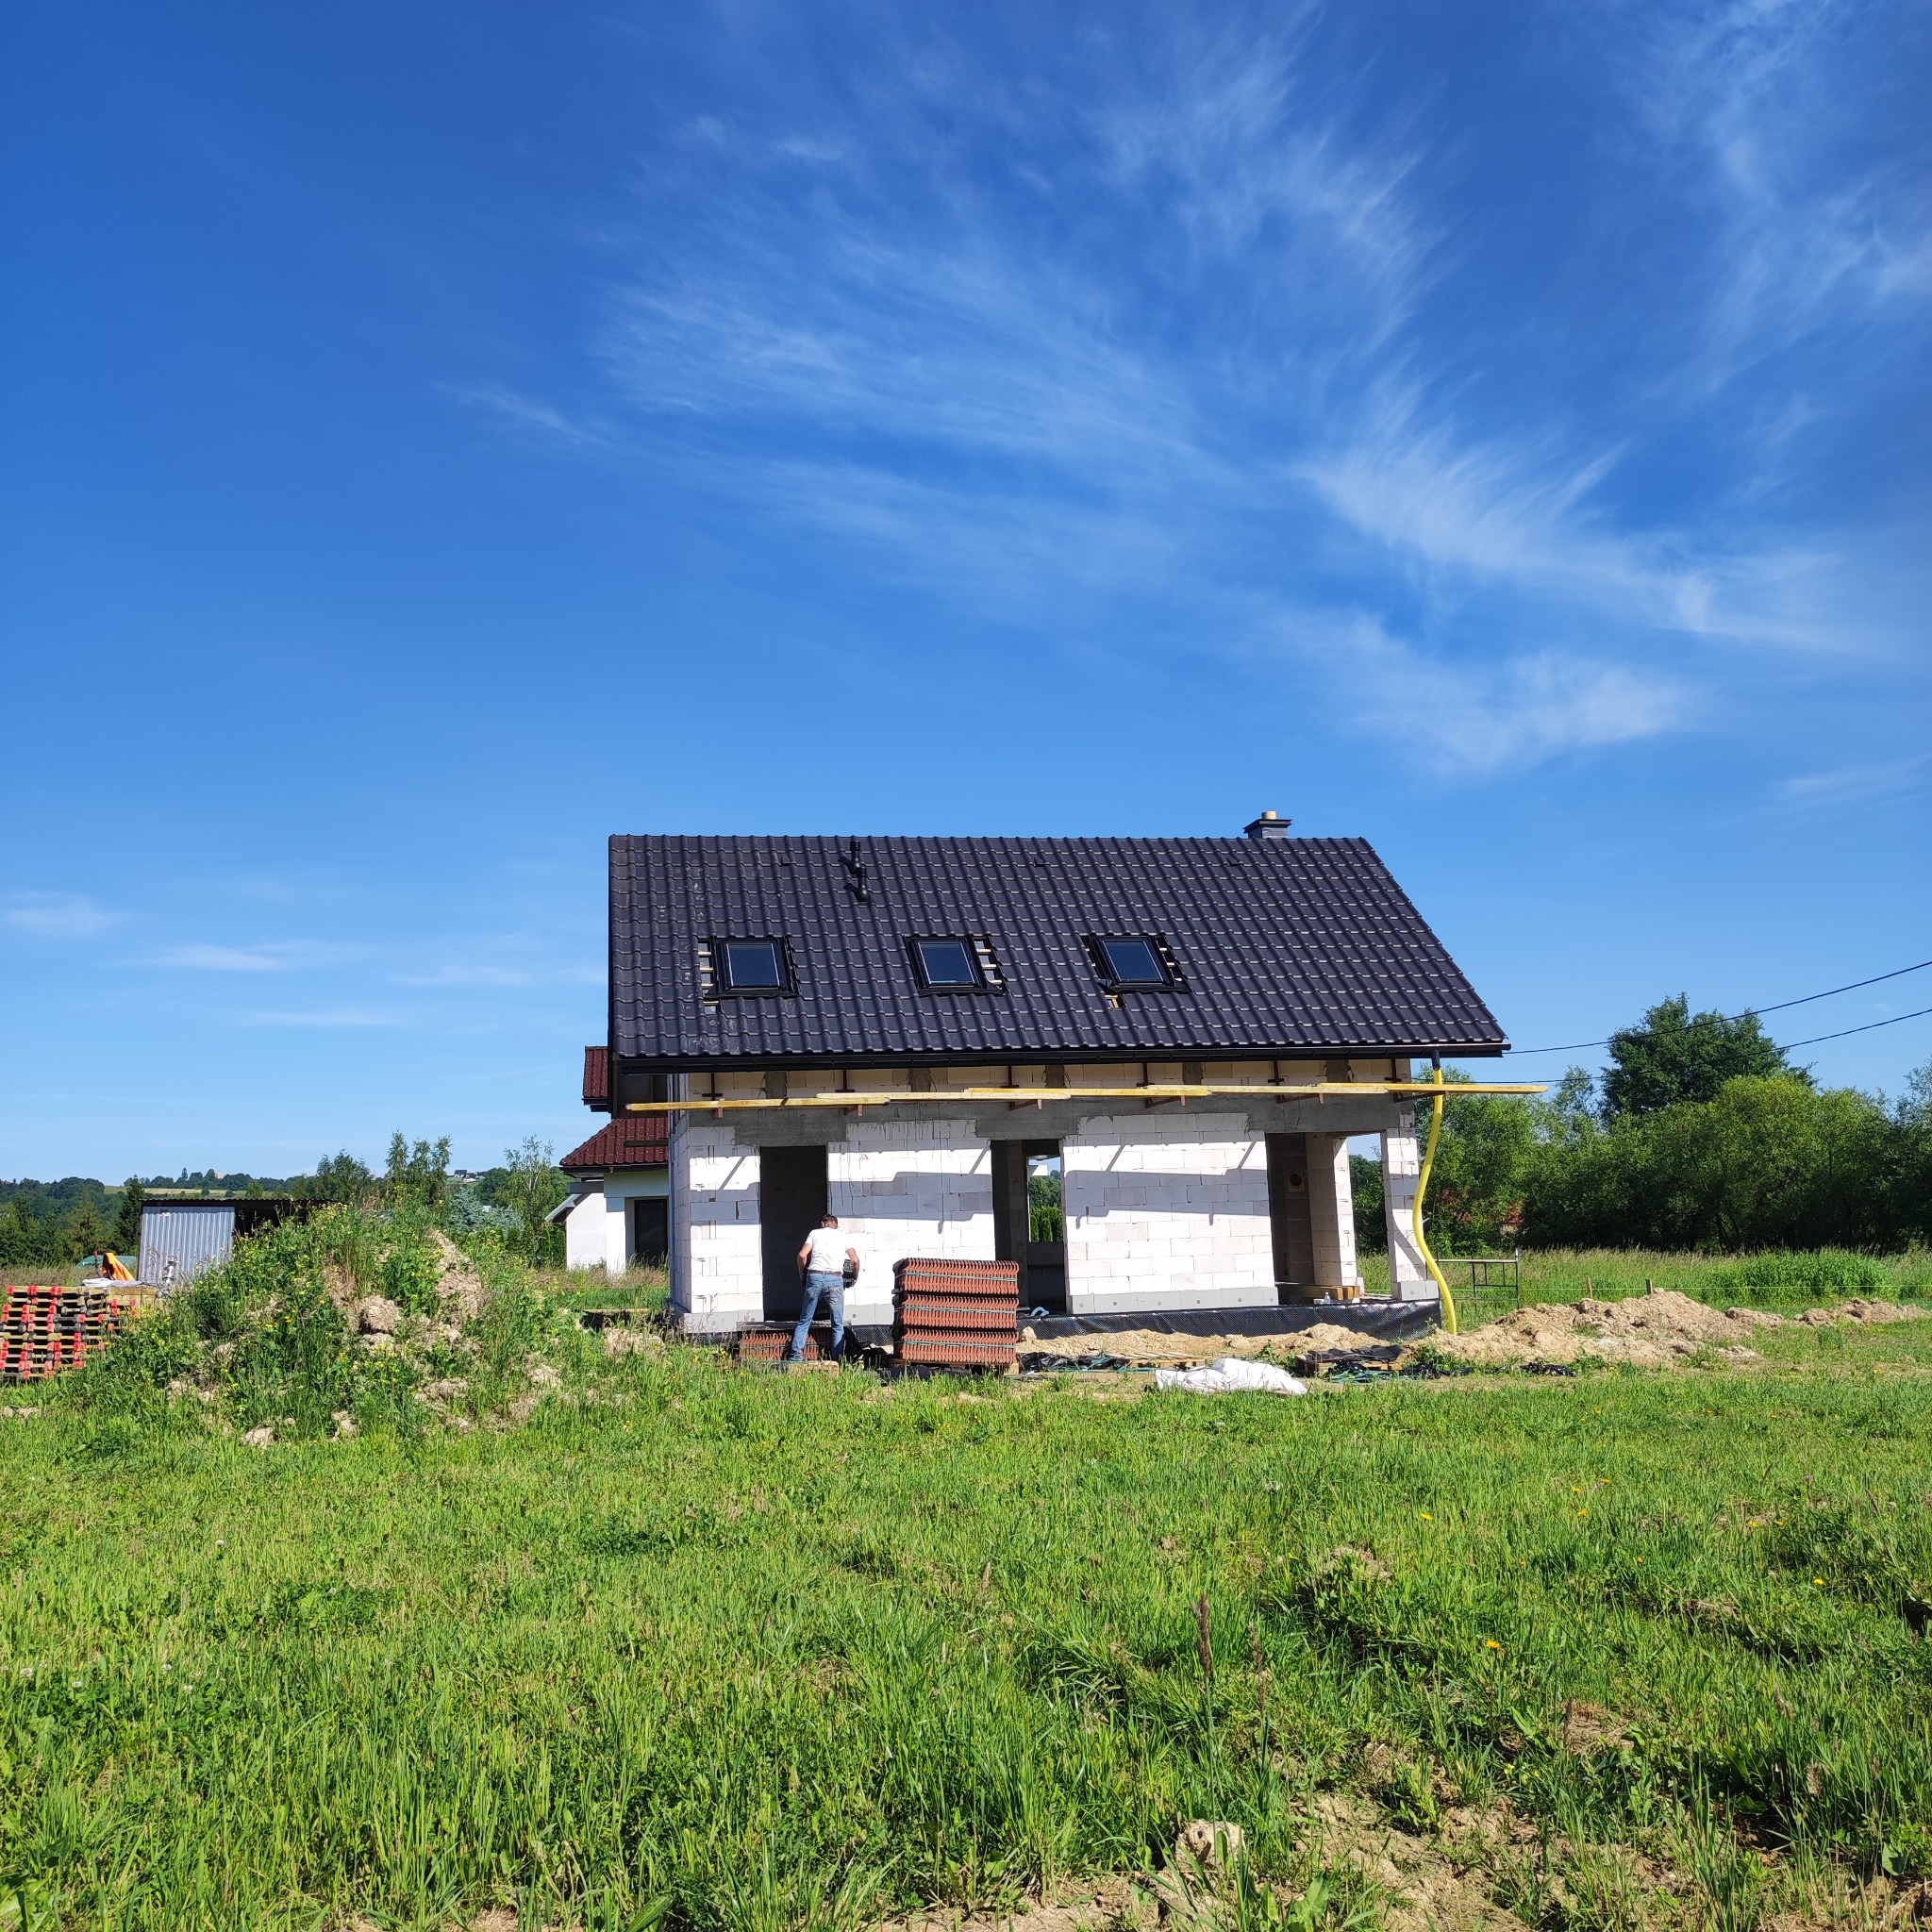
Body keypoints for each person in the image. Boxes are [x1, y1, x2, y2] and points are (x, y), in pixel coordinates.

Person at [790, 1213, 858, 1362]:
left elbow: (802, 1256)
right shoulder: (843, 1236)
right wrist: (855, 1277)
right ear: (836, 1224)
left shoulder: (814, 1233)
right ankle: (837, 1361)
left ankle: (795, 1358)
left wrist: (802, 1274)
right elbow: (854, 1260)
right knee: (837, 1323)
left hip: (814, 1277)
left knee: (804, 1321)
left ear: (823, 1223)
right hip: (835, 1279)